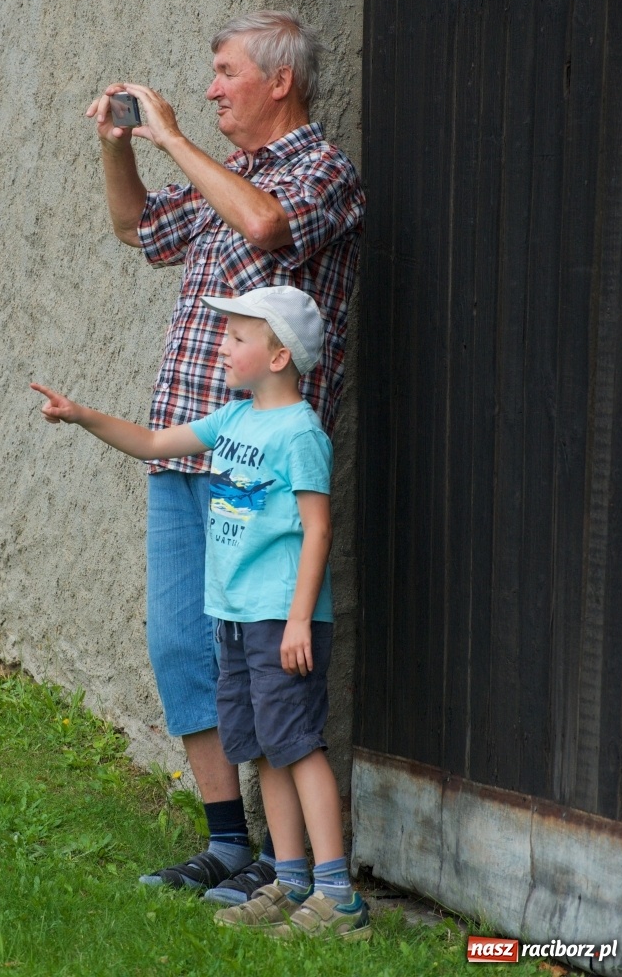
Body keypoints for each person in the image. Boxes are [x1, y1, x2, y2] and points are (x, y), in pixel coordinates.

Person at [85, 9, 366, 903]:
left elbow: (265, 227)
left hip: (262, 469)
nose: (209, 92)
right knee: (180, 646)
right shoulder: (226, 170)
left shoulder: (325, 174)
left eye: (224, 73)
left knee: (252, 660)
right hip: (183, 447)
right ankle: (227, 845)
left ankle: (299, 872)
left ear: (279, 81)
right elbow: (140, 232)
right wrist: (120, 147)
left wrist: (170, 138)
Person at [31, 285, 371, 939]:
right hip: (236, 618)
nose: (223, 346)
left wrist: (300, 619)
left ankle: (337, 896)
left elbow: (318, 530)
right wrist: (82, 415)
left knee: (298, 746)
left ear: (278, 357)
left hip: (280, 620)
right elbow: (156, 443)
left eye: (237, 338)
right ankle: (289, 879)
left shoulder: (300, 432)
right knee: (264, 750)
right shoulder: (234, 421)